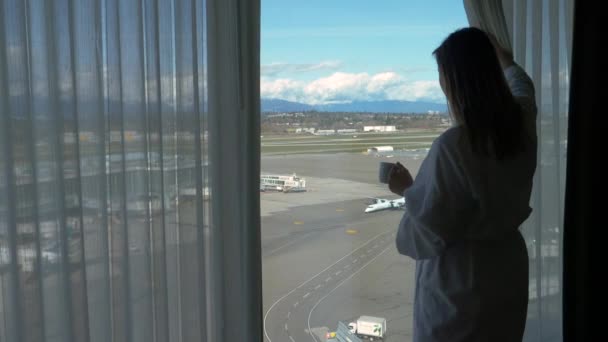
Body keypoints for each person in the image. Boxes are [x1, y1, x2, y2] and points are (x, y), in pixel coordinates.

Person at [388, 27, 537, 342]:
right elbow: (523, 86)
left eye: (444, 77)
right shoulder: (521, 124)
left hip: (460, 288)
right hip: (507, 273)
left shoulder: (454, 145)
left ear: (456, 82)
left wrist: (407, 190)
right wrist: (506, 61)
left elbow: (423, 237)